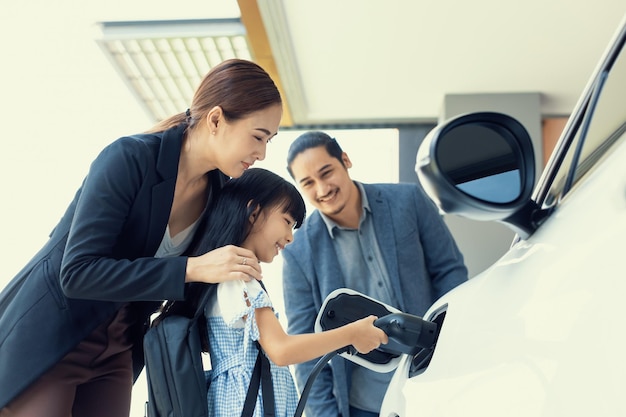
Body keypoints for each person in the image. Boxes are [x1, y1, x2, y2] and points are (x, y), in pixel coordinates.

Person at [0, 59, 283, 417]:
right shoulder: (129, 158)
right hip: (56, 335)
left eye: (269, 140)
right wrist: (190, 269)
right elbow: (77, 273)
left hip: (120, 346)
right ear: (215, 120)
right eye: (258, 136)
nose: (262, 153)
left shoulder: (220, 194)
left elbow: (202, 288)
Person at [281, 131, 469, 417]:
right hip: (365, 404)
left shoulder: (409, 200)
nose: (322, 189)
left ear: (345, 160)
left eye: (326, 172)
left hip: (436, 378)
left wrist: (454, 341)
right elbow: (306, 347)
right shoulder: (298, 252)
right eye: (308, 183)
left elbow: (450, 270)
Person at [180, 167, 387, 417]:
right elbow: (281, 350)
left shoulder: (225, 277)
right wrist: (353, 333)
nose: (290, 238)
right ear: (253, 212)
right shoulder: (239, 279)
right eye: (287, 222)